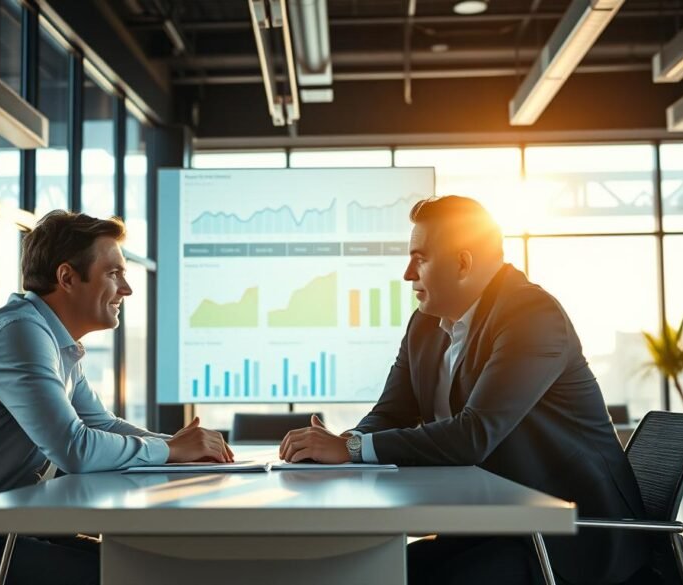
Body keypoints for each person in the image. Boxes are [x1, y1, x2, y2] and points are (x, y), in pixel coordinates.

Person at [278, 196, 650, 585]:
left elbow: (474, 434)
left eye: (419, 258)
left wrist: (352, 451)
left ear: (462, 263)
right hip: (494, 526)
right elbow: (391, 412)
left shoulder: (532, 316)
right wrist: (344, 443)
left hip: (568, 539)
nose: (407, 273)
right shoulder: (424, 327)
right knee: (372, 571)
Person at [0, 211, 232, 585]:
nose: (127, 289)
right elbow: (74, 448)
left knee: (144, 566)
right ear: (67, 277)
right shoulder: (18, 333)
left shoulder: (54, 341)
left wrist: (180, 445)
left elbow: (101, 423)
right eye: (113, 273)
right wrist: (171, 452)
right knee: (138, 574)